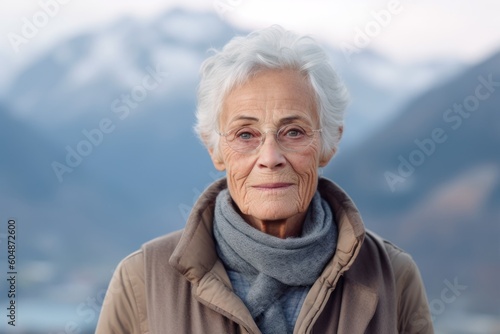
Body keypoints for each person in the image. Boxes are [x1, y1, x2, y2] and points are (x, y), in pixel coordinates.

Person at [96, 25, 433, 334]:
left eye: (294, 132)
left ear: (328, 144)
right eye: (246, 134)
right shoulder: (142, 279)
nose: (270, 157)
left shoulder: (393, 276)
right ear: (215, 150)